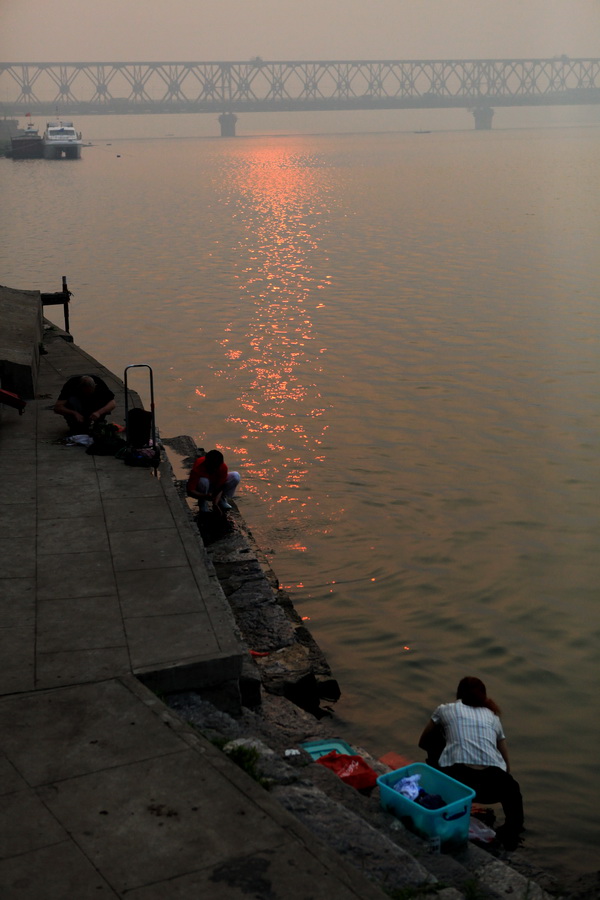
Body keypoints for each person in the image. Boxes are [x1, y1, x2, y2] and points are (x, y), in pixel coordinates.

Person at [419, 676, 524, 851]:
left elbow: (423, 743)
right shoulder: (493, 717)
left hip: (457, 784)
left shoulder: (445, 710)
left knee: (437, 739)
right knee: (512, 787)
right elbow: (506, 764)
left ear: (458, 695)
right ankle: (512, 833)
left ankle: (440, 799)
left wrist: (447, 741)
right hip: (493, 789)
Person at [186, 449, 240, 514]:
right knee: (203, 481)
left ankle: (222, 498)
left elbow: (221, 486)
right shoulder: (198, 467)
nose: (215, 469)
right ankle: (202, 502)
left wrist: (215, 504)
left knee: (235, 476)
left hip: (215, 485)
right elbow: (190, 490)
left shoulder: (222, 467)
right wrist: (204, 496)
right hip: (203, 488)